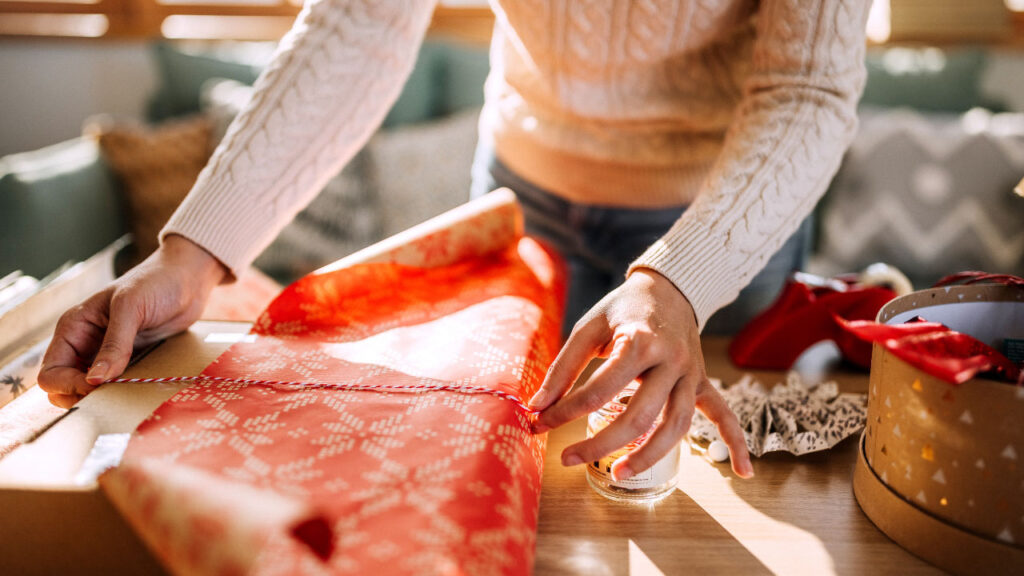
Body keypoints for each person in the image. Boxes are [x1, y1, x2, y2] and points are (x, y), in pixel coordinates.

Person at [38, 0, 871, 483]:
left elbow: (807, 87)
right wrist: (193, 251)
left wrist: (684, 279)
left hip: (719, 226)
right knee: (503, 476)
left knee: (710, 486)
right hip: (525, 191)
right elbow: (360, 22)